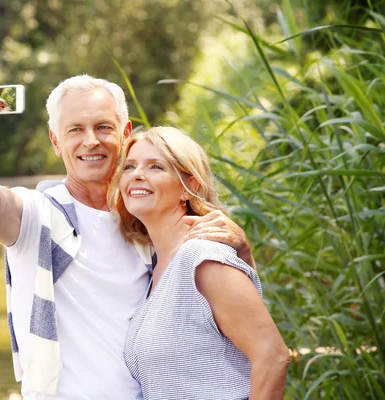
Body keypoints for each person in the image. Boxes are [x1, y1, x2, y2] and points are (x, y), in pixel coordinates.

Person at [0, 75, 256, 399]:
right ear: (56, 141)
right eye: (75, 130)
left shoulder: (149, 217)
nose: (91, 140)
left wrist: (242, 252)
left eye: (103, 127)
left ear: (124, 135)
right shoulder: (38, 214)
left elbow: (233, 318)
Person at [107, 127, 290, 399]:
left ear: (189, 187)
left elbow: (273, 357)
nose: (137, 175)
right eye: (130, 166)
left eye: (155, 166)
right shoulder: (156, 268)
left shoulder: (202, 257)